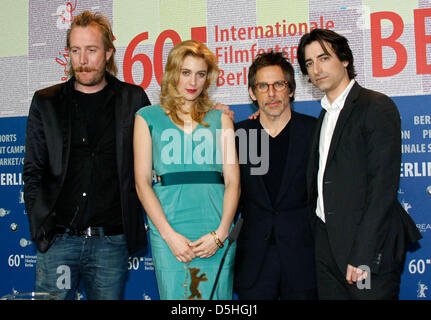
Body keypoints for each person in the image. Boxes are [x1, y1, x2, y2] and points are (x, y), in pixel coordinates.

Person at [23, 11, 151, 300]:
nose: (82, 60)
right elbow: (33, 171)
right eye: (75, 50)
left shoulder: (134, 100)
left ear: (108, 53)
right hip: (58, 241)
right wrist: (41, 228)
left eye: (91, 50)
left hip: (111, 244)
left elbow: (162, 143)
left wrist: (215, 112)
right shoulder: (46, 102)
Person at [297, 28, 422, 299]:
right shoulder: (324, 116)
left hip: (365, 251)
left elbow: (382, 188)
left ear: (344, 60)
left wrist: (363, 254)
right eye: (309, 63)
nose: (316, 68)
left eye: (323, 58)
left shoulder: (375, 106)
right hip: (327, 249)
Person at [134, 40, 240, 300]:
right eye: (186, 72)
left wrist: (221, 233)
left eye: (200, 74)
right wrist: (169, 236)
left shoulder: (221, 117)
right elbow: (142, 183)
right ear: (173, 74)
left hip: (215, 227)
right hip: (169, 229)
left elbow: (233, 183)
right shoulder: (146, 117)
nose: (193, 81)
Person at [234, 51, 317, 299]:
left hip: (303, 261)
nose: (271, 93)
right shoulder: (241, 135)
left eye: (278, 84)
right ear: (252, 93)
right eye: (263, 86)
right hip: (255, 263)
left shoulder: (313, 131)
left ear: (290, 90)